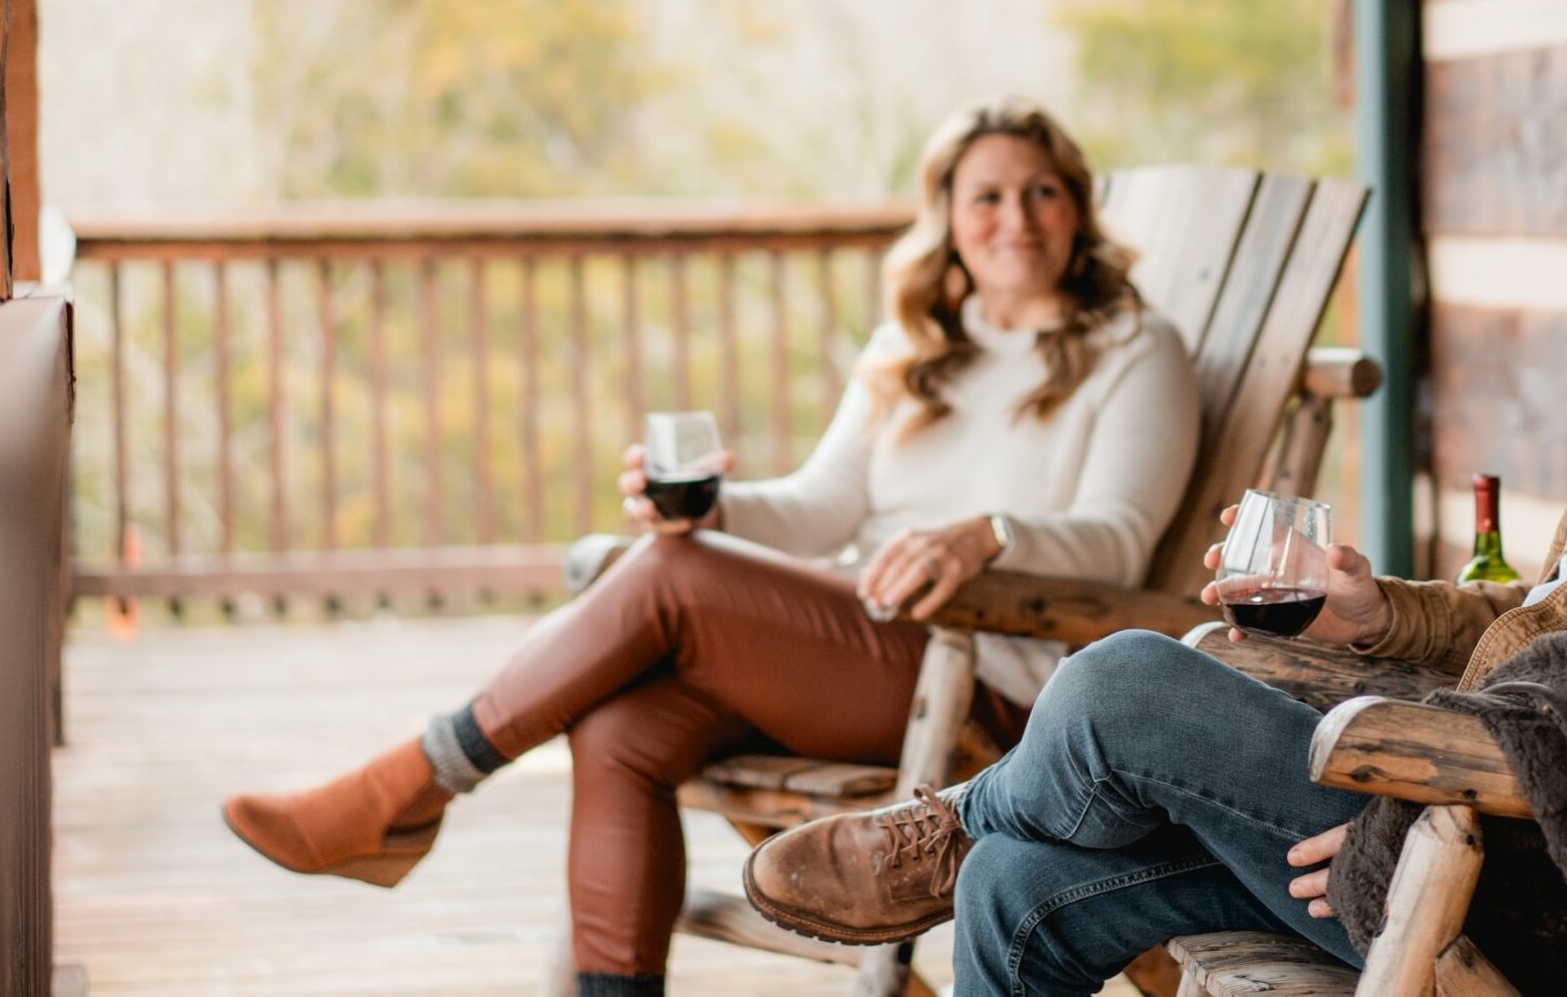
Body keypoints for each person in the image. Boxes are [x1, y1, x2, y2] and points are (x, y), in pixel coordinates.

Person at [743, 0, 1567, 996]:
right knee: (1015, 886)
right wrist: (1380, 621)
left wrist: (1451, 774)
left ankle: (954, 813)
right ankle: (975, 837)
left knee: (1121, 682)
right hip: (1470, 786)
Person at [221, 98, 1201, 997]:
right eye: (986, 195)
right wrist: (714, 512)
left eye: (1042, 192)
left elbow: (1118, 542)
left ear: (1077, 209)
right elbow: (821, 508)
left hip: (993, 682)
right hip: (860, 656)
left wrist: (991, 535)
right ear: (947, 216)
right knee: (624, 726)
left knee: (670, 578)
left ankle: (408, 788)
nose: (1016, 219)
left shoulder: (1134, 351)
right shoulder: (915, 351)